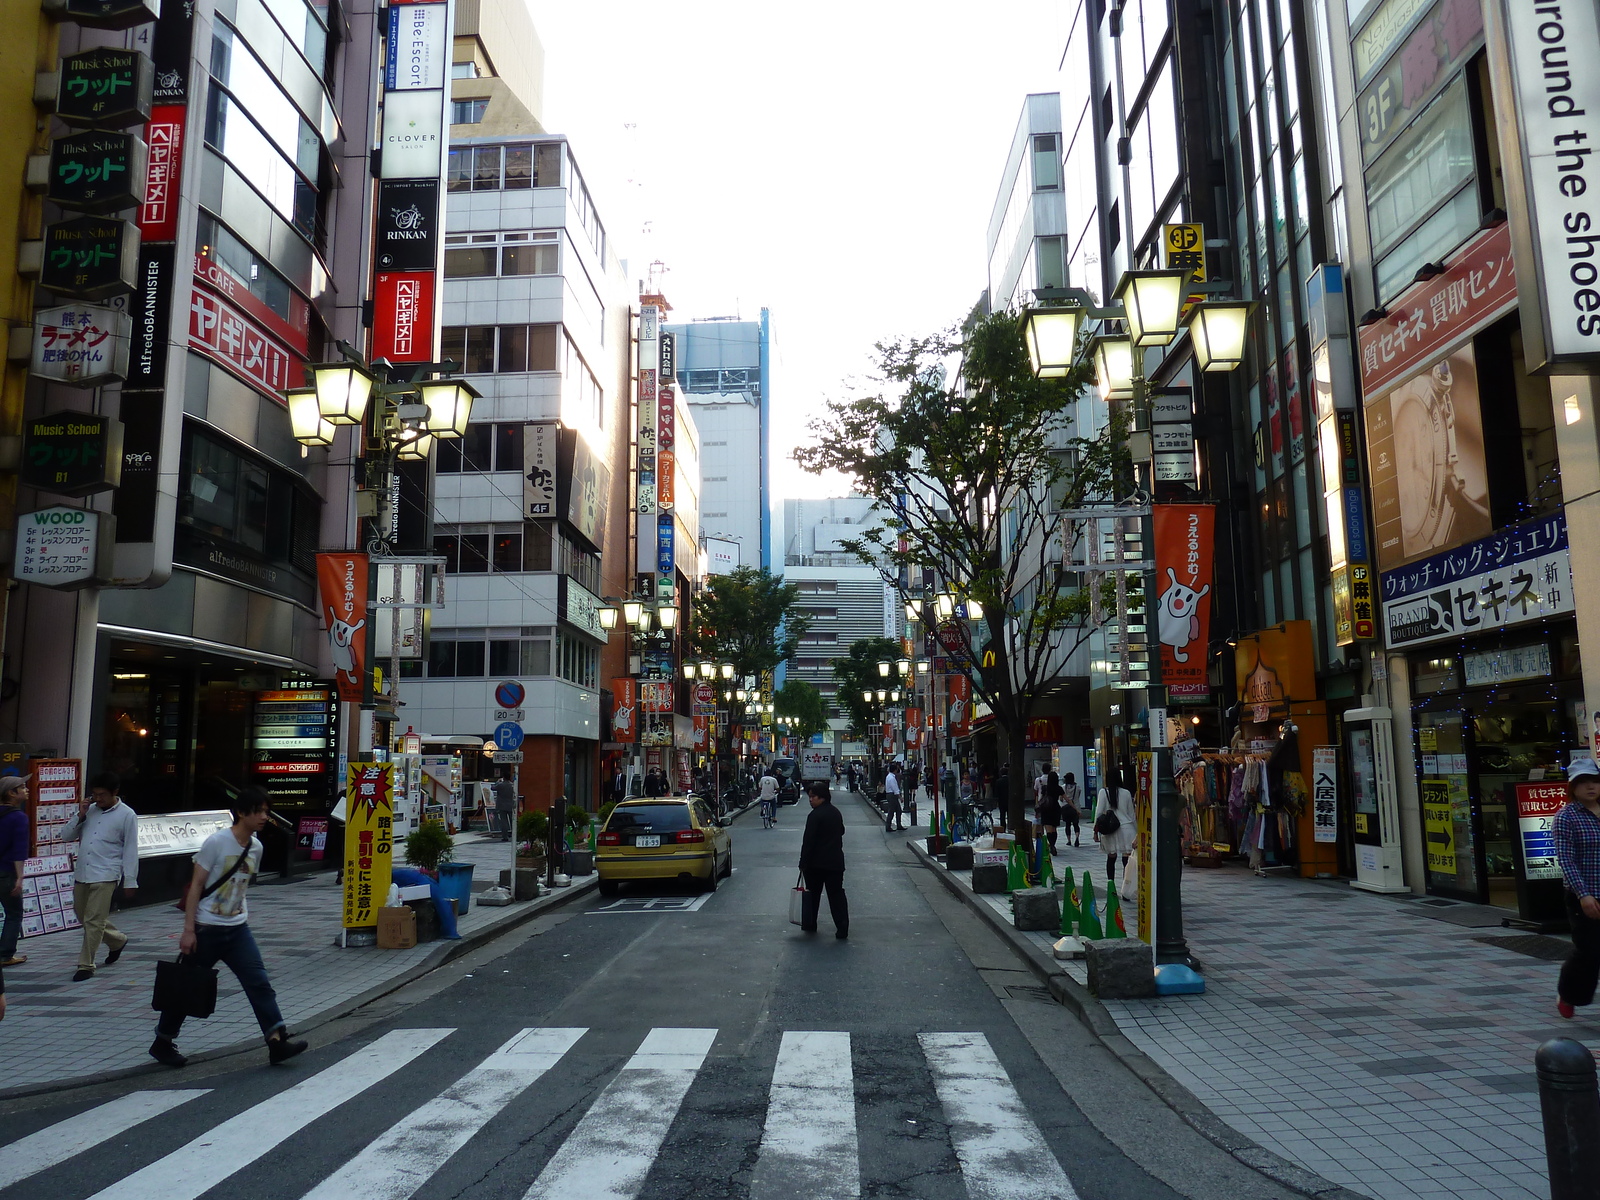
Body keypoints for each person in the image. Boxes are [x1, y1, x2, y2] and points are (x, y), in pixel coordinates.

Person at [150, 788, 307, 1068]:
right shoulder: (217, 843)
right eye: (258, 811)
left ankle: (276, 1042)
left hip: (237, 929)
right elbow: (197, 885)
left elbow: (242, 886)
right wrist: (188, 930)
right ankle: (163, 1041)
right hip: (206, 929)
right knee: (187, 987)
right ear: (242, 813)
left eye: (266, 811)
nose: (263, 817)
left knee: (259, 983)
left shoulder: (256, 847)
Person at [62, 771, 140, 982]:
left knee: (94, 919)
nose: (98, 799)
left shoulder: (127, 815)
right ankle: (117, 940)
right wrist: (80, 815)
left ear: (115, 792)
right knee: (82, 914)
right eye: (95, 794)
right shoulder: (90, 811)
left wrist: (130, 880)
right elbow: (65, 835)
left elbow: (131, 849)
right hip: (83, 871)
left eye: (102, 794)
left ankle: (86, 964)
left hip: (107, 873)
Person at [1556, 757, 1600, 1019]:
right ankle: (1569, 994)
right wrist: (1584, 895)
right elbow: (1566, 860)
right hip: (1583, 893)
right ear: (1572, 787)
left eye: (1594, 781)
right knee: (1590, 952)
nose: (1591, 787)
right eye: (1583, 783)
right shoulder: (1566, 817)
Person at [798, 780, 848, 938]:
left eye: (813, 797)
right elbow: (841, 831)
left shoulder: (814, 816)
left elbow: (808, 841)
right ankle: (842, 927)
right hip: (834, 862)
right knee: (836, 896)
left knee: (813, 895)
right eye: (810, 797)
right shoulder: (835, 812)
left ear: (822, 797)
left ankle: (810, 923)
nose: (810, 800)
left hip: (815, 864)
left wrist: (803, 862)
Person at [0, 777, 29, 967]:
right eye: (22, 787)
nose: (26, 790)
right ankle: (5, 954)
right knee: (14, 912)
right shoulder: (19, 817)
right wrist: (20, 877)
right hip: (5, 872)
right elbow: (19, 850)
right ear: (11, 793)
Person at [1094, 767, 1137, 880]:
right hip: (1127, 828)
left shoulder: (1103, 792)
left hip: (1110, 829)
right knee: (1126, 859)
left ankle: (1111, 886)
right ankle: (1125, 887)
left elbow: (1098, 813)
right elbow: (1132, 815)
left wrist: (1095, 830)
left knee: (1111, 858)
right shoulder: (1126, 793)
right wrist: (1137, 832)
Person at [1037, 771, 1064, 854]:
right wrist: (1076, 809)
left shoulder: (1045, 788)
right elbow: (1064, 799)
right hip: (1056, 808)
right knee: (1054, 828)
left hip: (1046, 809)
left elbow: (1040, 798)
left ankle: (1051, 845)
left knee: (1048, 829)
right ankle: (1053, 845)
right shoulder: (1059, 788)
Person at [1061, 772, 1083, 848]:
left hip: (1065, 808)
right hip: (1076, 808)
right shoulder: (1078, 787)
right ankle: (1077, 838)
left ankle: (1069, 840)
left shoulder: (1063, 787)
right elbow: (1078, 796)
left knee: (1067, 825)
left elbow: (1061, 798)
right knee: (1076, 824)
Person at [883, 764, 904, 832]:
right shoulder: (892, 778)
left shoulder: (888, 776)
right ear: (895, 770)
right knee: (891, 811)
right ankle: (888, 826)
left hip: (889, 794)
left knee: (898, 810)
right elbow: (895, 788)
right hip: (892, 795)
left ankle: (898, 825)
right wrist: (900, 797)